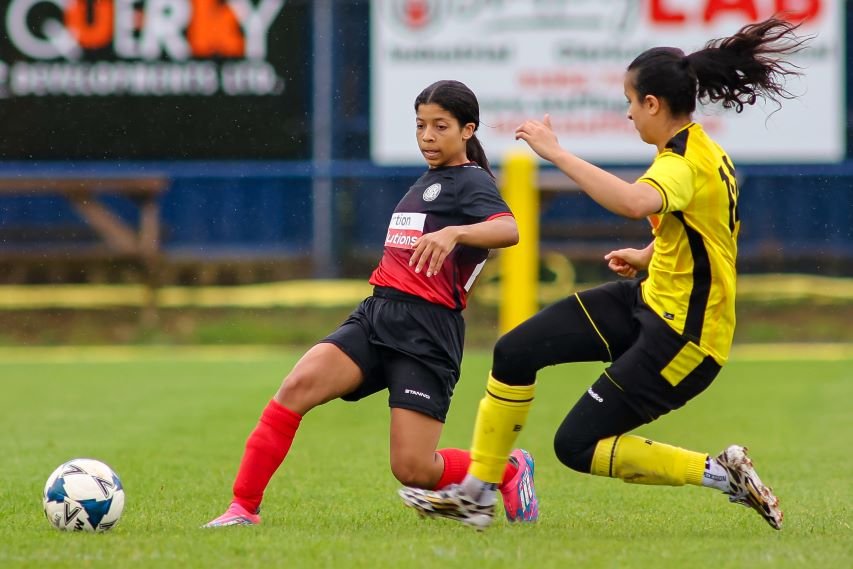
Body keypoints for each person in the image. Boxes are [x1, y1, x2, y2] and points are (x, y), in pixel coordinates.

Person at [399, 17, 810, 530]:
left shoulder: (682, 163)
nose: (629, 113)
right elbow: (705, 233)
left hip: (687, 338)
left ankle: (720, 473)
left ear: (654, 104)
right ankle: (477, 493)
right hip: (650, 299)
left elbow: (635, 201)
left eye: (632, 102)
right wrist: (651, 255)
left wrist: (557, 154)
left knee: (574, 445)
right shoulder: (697, 150)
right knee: (514, 351)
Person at [204, 79, 540, 527]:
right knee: (295, 388)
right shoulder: (430, 180)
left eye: (441, 126)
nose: (427, 136)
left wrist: (455, 232)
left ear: (467, 130)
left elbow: (509, 229)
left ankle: (509, 469)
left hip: (427, 331)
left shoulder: (471, 182)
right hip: (378, 314)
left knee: (413, 469)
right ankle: (242, 509)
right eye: (421, 125)